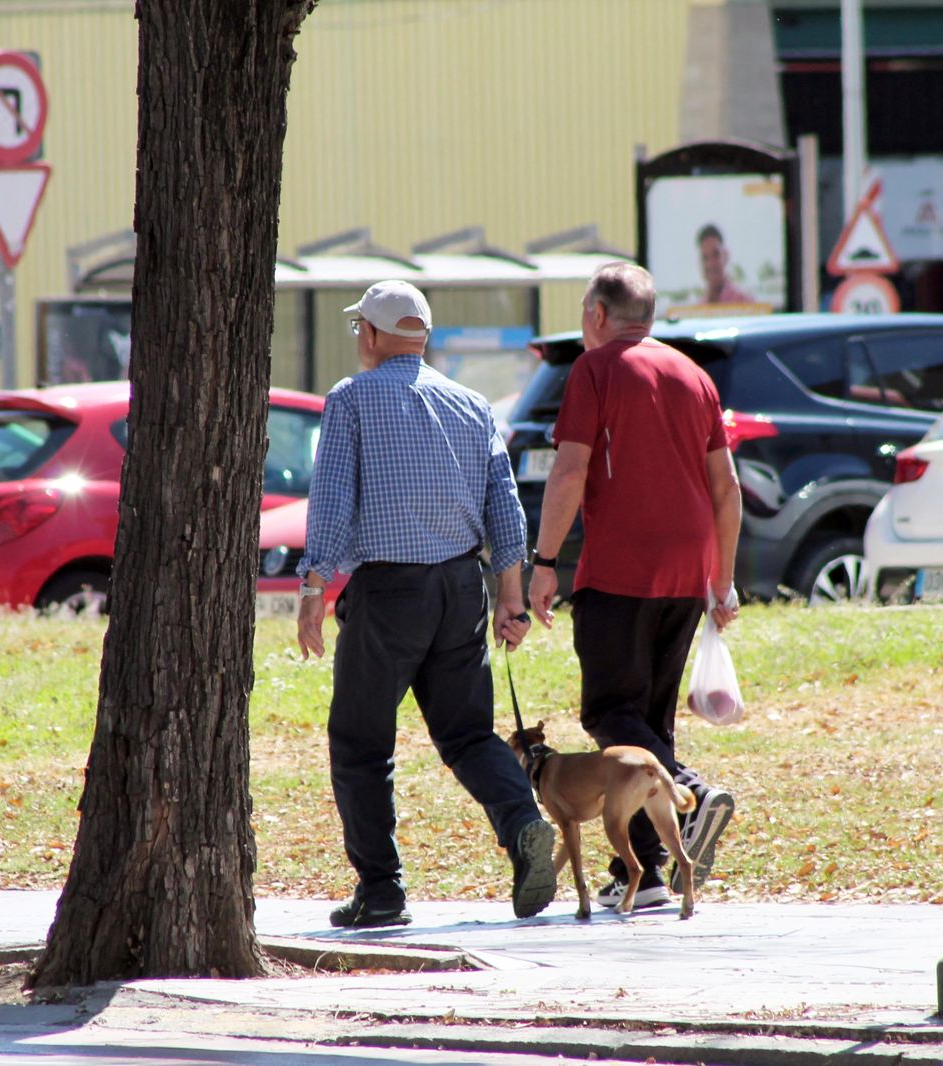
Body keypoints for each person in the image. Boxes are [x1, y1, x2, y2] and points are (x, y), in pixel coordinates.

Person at [296, 279, 557, 929]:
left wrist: (311, 588)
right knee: (467, 734)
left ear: (378, 336)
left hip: (387, 592)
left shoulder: (351, 399)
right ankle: (524, 823)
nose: (358, 337)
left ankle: (381, 892)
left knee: (360, 742)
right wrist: (512, 602)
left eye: (361, 328)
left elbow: (331, 502)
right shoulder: (472, 405)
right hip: (460, 591)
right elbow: (506, 507)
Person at [527, 262, 742, 910]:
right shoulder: (695, 376)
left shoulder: (593, 371)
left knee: (607, 713)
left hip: (622, 567)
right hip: (688, 571)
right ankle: (643, 878)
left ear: (596, 315)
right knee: (649, 720)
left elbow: (568, 474)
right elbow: (727, 489)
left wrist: (543, 561)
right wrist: (722, 583)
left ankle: (690, 793)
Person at [698, 223, 756, 305]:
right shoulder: (699, 306)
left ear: (726, 256)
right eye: (705, 258)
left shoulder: (745, 302)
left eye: (716, 255)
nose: (710, 264)